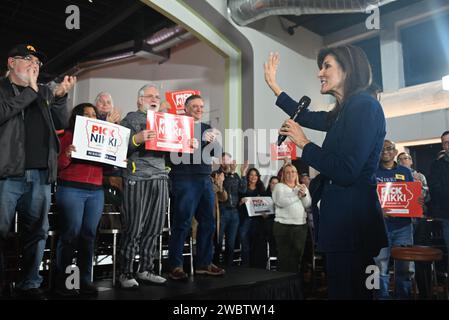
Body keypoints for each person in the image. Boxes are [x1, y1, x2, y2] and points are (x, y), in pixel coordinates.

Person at [264, 45, 387, 299]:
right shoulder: (343, 111)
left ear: (348, 69)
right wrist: (274, 86)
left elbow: (346, 170)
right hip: (341, 226)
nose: (320, 72)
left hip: (352, 227)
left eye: (326, 66)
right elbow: (306, 116)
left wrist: (305, 144)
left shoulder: (364, 106)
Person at [0, 44, 76, 299]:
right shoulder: (2, 89)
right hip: (7, 173)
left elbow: (61, 123)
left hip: (41, 174)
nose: (35, 64)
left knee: (37, 232)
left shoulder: (43, 91)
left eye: (38, 62)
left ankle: (29, 283)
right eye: (28, 59)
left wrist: (61, 96)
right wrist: (30, 91)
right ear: (11, 62)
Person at [168, 94, 225, 280]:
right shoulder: (176, 127)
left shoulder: (207, 128)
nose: (199, 109)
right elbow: (167, 153)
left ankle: (203, 263)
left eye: (201, 106)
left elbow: (217, 155)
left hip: (204, 178)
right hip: (184, 178)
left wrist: (212, 142)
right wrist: (185, 143)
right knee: (182, 223)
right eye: (195, 106)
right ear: (185, 108)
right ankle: (175, 265)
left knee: (208, 223)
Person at [118, 84, 169, 288]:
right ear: (140, 100)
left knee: (154, 227)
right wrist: (136, 139)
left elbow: (174, 154)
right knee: (134, 226)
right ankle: (125, 272)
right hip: (137, 177)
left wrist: (186, 143)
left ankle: (146, 269)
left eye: (157, 96)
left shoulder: (166, 121)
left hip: (160, 178)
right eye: (149, 96)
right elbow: (119, 147)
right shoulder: (130, 119)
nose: (154, 99)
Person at [55, 103, 105, 296]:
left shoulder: (102, 137)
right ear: (78, 117)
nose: (92, 117)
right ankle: (66, 282)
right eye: (87, 114)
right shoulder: (67, 136)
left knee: (88, 236)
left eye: (94, 114)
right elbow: (57, 166)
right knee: (70, 235)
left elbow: (106, 167)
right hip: (71, 189)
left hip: (96, 191)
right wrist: (67, 154)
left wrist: (118, 162)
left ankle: (84, 280)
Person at [374, 140, 414, 299]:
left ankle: (403, 297)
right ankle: (381, 297)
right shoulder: (372, 171)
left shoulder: (405, 172)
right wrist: (379, 210)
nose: (385, 151)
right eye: (382, 149)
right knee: (378, 268)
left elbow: (412, 196)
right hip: (379, 227)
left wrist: (417, 201)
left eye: (389, 148)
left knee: (404, 268)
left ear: (395, 151)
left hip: (403, 227)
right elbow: (366, 198)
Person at [272, 164, 311, 273]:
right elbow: (280, 202)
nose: (291, 174)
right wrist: (296, 196)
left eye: (293, 171)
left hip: (300, 226)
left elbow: (307, 204)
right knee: (284, 258)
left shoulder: (302, 187)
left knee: (297, 257)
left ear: (297, 174)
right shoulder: (279, 186)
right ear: (284, 175)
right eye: (288, 172)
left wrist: (303, 195)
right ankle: (283, 285)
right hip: (283, 226)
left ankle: (294, 284)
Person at [214, 152, 248, 267]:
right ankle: (216, 265)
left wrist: (243, 174)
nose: (226, 162)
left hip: (234, 212)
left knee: (231, 243)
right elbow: (223, 193)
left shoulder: (234, 175)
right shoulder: (217, 174)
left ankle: (229, 268)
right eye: (224, 160)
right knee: (218, 241)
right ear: (220, 161)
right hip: (222, 211)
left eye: (228, 160)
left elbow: (243, 190)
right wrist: (232, 174)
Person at [428, 131, 449, 293]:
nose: (447, 145)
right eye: (445, 142)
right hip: (447, 215)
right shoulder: (436, 165)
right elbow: (435, 189)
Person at [238, 168, 266, 268]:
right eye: (251, 175)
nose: (253, 177)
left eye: (255, 175)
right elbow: (238, 203)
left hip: (257, 220)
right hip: (244, 219)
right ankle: (245, 265)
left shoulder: (261, 189)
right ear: (248, 176)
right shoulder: (243, 187)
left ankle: (255, 266)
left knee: (255, 243)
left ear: (258, 177)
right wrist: (241, 202)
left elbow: (265, 204)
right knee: (244, 243)